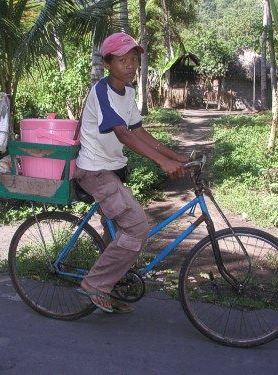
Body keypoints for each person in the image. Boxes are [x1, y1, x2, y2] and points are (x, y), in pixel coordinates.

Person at [75, 32, 189, 313]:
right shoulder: (101, 91)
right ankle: (96, 284)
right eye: (123, 60)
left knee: (117, 234)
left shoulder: (128, 93)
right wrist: (161, 163)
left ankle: (109, 287)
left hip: (112, 170)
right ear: (107, 63)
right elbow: (124, 134)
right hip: (94, 171)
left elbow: (138, 131)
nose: (130, 66)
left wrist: (174, 155)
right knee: (136, 226)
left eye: (134, 60)